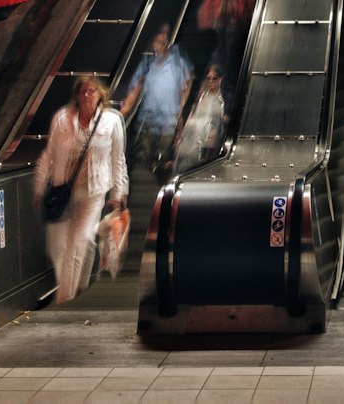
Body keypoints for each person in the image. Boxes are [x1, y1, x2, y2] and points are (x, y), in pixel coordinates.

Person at [34, 75, 128, 304]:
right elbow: (49, 155)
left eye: (92, 91)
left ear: (100, 96)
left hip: (93, 192)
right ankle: (80, 286)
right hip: (64, 190)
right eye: (83, 91)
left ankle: (65, 298)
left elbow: (118, 160)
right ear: (77, 95)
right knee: (60, 246)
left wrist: (118, 193)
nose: (87, 96)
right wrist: (39, 186)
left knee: (78, 241)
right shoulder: (62, 119)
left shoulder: (110, 122)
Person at [120, 25, 193, 174]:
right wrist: (121, 113)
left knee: (162, 161)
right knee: (141, 160)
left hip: (168, 122)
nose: (158, 45)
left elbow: (188, 82)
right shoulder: (147, 63)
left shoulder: (176, 62)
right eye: (156, 42)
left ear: (167, 42)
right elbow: (134, 90)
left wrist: (180, 110)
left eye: (162, 42)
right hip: (147, 121)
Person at [173, 63, 228, 171]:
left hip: (211, 142)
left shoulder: (223, 100)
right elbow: (192, 114)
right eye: (209, 79)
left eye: (214, 78)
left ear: (220, 79)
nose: (211, 81)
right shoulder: (201, 96)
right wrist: (181, 134)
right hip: (194, 138)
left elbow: (222, 121)